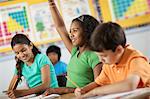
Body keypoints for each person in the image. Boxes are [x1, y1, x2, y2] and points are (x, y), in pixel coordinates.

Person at [74, 22, 150, 98]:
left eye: (104, 56)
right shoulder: (109, 63)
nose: (101, 60)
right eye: (99, 56)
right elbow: (98, 83)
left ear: (119, 50)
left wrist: (95, 91)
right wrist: (83, 90)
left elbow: (130, 85)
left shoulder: (136, 59)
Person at [44, 0, 103, 95]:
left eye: (75, 30)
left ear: (87, 32)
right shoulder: (75, 51)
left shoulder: (94, 56)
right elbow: (60, 27)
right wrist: (51, 3)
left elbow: (99, 85)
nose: (71, 35)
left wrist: (65, 90)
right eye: (70, 31)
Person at [6, 34, 58, 98]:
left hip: (52, 94)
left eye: (23, 50)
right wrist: (12, 93)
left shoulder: (41, 59)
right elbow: (10, 89)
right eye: (17, 53)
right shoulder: (20, 65)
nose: (21, 55)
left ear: (30, 46)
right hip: (37, 96)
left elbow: (45, 85)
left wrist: (22, 93)